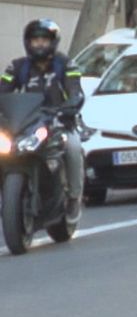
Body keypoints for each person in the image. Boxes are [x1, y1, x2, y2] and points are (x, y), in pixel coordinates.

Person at [0, 19, 85, 222]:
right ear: (27, 42)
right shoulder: (17, 66)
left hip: (58, 121)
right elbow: (3, 90)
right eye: (35, 40)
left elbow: (75, 90)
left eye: (44, 40)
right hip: (25, 123)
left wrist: (71, 105)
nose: (39, 44)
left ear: (53, 42)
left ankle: (73, 198)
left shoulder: (65, 64)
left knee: (73, 148)